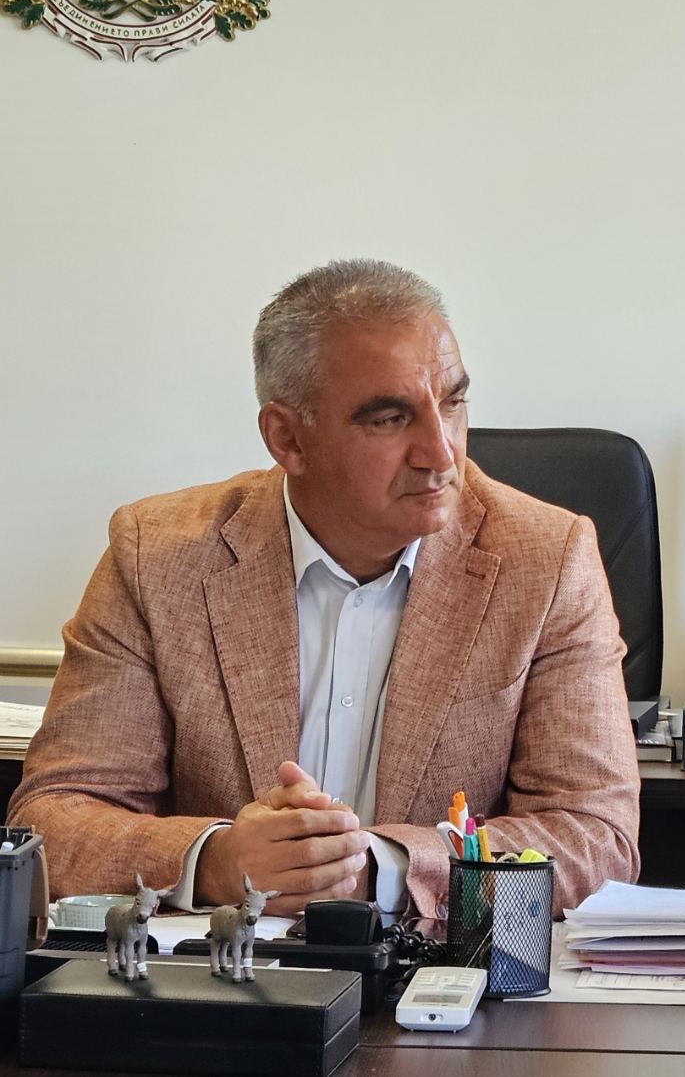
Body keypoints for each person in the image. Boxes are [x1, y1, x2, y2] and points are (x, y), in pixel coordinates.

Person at [10, 260, 640, 921]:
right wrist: (214, 861)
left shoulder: (546, 559)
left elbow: (596, 840)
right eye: (390, 418)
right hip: (221, 967)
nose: (441, 452)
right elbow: (54, 819)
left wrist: (379, 870)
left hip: (432, 973)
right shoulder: (158, 557)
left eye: (453, 402)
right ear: (288, 438)